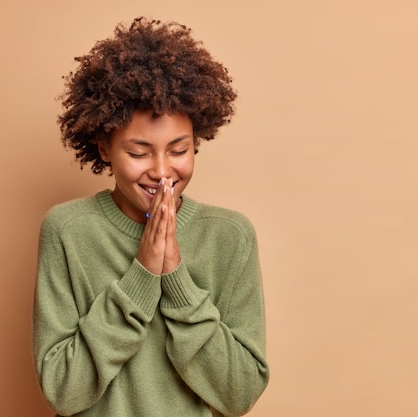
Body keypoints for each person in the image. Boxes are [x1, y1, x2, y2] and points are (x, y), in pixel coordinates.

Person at [33, 17, 269, 417]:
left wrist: (176, 279)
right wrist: (142, 274)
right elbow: (62, 391)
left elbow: (238, 395)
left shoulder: (230, 236)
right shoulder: (68, 230)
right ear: (105, 148)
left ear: (197, 142)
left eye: (178, 150)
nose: (161, 171)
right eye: (139, 153)